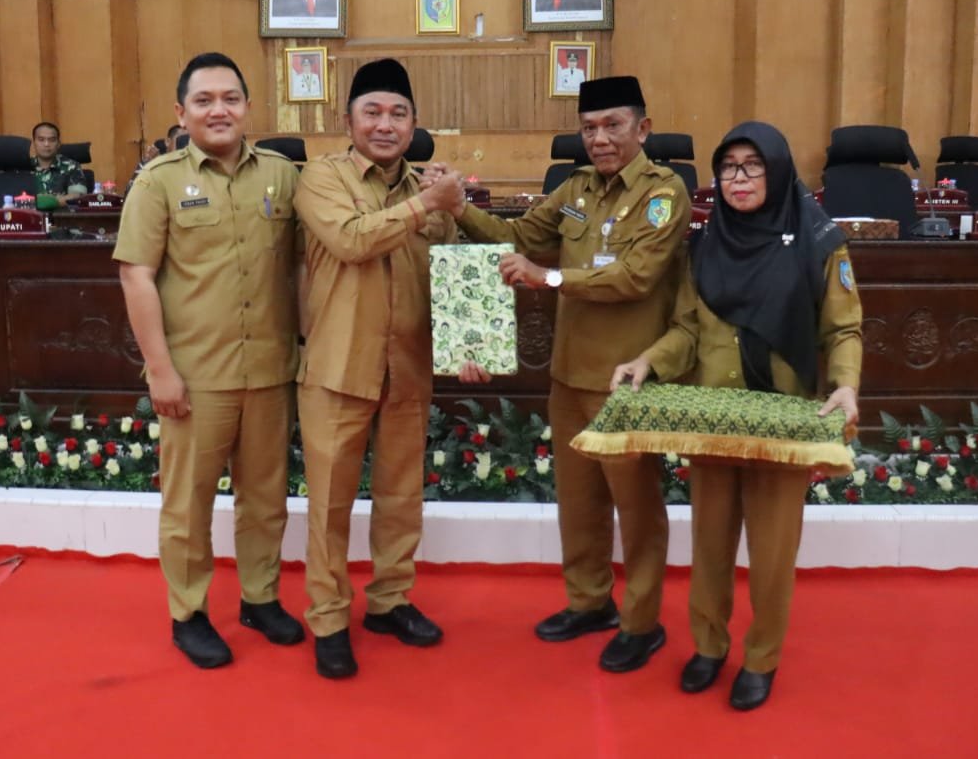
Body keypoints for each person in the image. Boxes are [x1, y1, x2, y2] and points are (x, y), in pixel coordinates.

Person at [610, 121, 862, 710]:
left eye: (753, 166)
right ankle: (708, 645)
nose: (739, 178)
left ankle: (762, 657)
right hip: (714, 421)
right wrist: (649, 361)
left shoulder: (821, 242)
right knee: (711, 544)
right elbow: (688, 330)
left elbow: (843, 328)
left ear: (776, 171)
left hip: (781, 425)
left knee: (772, 553)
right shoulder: (705, 244)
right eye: (728, 167)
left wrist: (846, 385)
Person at [454, 77, 690, 674]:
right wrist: (459, 208)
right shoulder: (573, 189)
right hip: (569, 375)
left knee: (637, 511)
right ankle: (589, 603)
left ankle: (641, 622)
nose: (600, 138)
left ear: (643, 129)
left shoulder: (663, 194)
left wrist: (550, 278)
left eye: (613, 125)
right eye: (589, 128)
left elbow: (636, 275)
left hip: (627, 379)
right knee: (578, 503)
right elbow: (516, 239)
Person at [114, 52, 305, 670]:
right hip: (196, 377)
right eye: (204, 100)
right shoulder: (158, 182)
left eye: (229, 98)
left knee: (266, 498)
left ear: (247, 107)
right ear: (182, 112)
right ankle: (188, 613)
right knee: (188, 503)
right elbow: (136, 277)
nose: (218, 110)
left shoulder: (282, 176)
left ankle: (260, 598)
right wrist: (160, 370)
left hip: (270, 370)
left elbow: (302, 266)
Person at [293, 58, 465, 679]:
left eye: (398, 113)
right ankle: (330, 617)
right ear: (349, 120)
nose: (385, 125)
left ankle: (390, 601)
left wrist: (455, 206)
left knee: (401, 497)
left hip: (408, 367)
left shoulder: (428, 184)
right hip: (339, 368)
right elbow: (352, 240)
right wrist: (429, 204)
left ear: (414, 122)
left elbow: (451, 272)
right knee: (331, 504)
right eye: (373, 112)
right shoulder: (321, 177)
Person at [30, 122, 84, 194]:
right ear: (34, 143)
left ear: (58, 144)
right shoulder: (25, 167)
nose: (46, 144)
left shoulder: (72, 166)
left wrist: (50, 202)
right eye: (41, 139)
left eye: (52, 140)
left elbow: (77, 196)